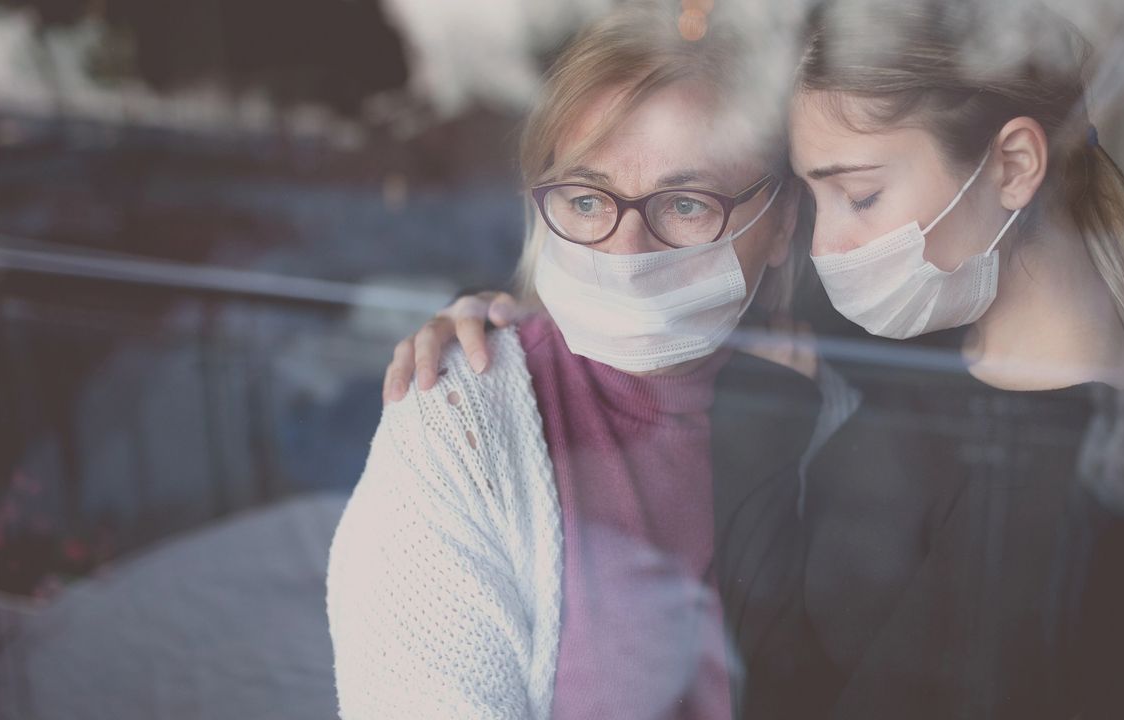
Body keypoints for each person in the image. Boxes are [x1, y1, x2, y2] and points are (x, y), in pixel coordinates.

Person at [384, 1, 1124, 718]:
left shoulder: (1002, 458)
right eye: (583, 198)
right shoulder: (873, 388)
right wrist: (501, 340)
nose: (826, 245)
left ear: (1013, 169)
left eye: (857, 195)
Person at [326, 3, 848, 718]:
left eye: (686, 204)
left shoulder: (833, 421)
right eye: (585, 198)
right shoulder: (460, 418)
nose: (625, 253)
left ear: (782, 222)